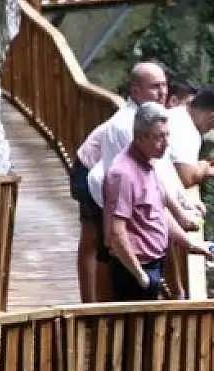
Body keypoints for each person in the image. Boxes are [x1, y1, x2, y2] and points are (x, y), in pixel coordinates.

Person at [70, 60, 167, 300]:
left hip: (102, 175)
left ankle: (95, 306)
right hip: (89, 173)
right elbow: (121, 177)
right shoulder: (127, 126)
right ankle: (93, 306)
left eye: (165, 85)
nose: (163, 92)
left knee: (105, 242)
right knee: (100, 243)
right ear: (135, 91)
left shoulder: (149, 119)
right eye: (155, 87)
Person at [103, 103, 211, 300]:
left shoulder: (149, 162)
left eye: (167, 135)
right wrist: (141, 276)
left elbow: (159, 212)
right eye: (159, 137)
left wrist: (190, 244)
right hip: (134, 271)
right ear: (140, 137)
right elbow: (116, 232)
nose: (166, 143)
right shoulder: (123, 174)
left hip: (153, 264)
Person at [166, 85, 214, 189]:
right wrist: (211, 170)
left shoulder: (175, 113)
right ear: (212, 116)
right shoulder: (189, 131)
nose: (212, 128)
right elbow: (186, 178)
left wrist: (207, 164)